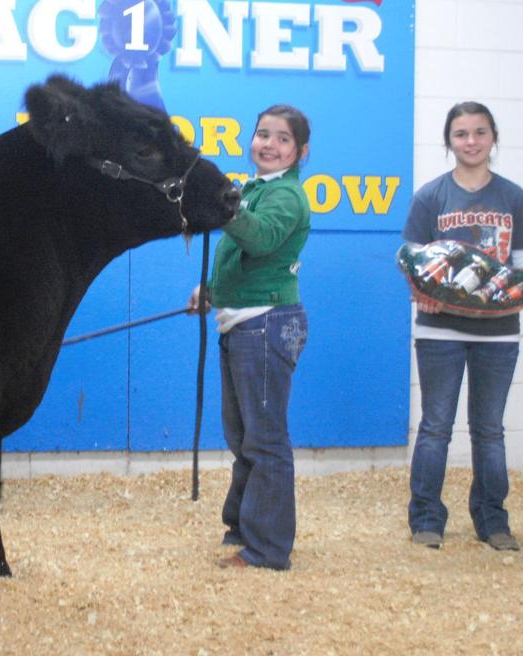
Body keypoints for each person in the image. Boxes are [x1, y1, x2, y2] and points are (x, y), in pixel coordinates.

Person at [403, 102, 523, 551]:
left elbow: (522, 266)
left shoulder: (515, 198)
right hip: (439, 333)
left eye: (479, 132)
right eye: (460, 134)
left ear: (493, 137)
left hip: (498, 334)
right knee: (435, 427)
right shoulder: (430, 197)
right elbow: (411, 262)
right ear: (448, 141)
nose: (470, 142)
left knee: (489, 430)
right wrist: (421, 290)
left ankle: (493, 521)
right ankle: (426, 519)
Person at [189, 105, 312, 571]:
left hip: (266, 324)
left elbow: (259, 239)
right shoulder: (258, 189)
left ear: (301, 152)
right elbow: (249, 261)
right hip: (246, 322)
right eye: (263, 134)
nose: (269, 144)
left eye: (282, 139)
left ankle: (267, 548)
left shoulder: (284, 196)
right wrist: (213, 292)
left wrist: (224, 206)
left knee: (264, 440)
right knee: (244, 436)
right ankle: (243, 526)